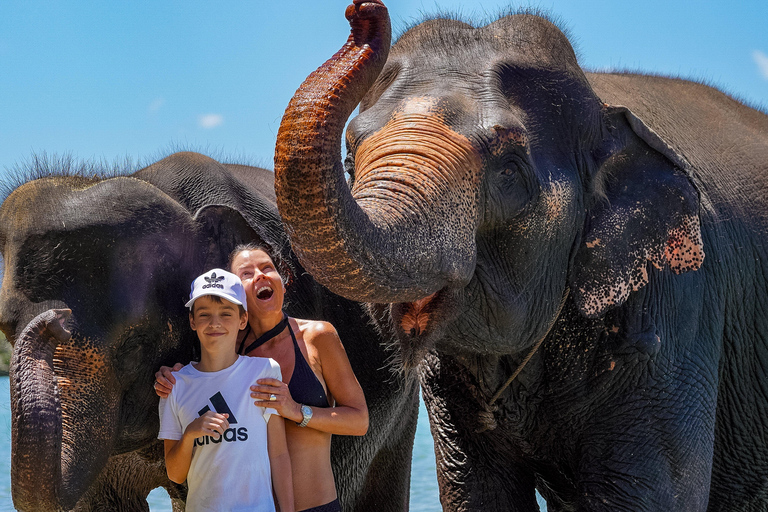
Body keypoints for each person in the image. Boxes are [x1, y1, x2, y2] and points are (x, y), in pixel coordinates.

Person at [156, 244, 368, 512]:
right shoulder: (234, 350)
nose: (259, 275)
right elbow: (200, 379)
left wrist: (296, 411)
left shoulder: (317, 336)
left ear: (283, 280)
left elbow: (360, 421)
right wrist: (171, 376)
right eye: (246, 274)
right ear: (237, 296)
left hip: (318, 504)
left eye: (267, 268)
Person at [158, 268, 294, 512]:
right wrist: (190, 433)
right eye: (204, 314)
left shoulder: (264, 371)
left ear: (243, 320)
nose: (214, 323)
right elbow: (175, 475)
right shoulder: (175, 385)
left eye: (226, 313)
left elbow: (278, 454)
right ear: (192, 321)